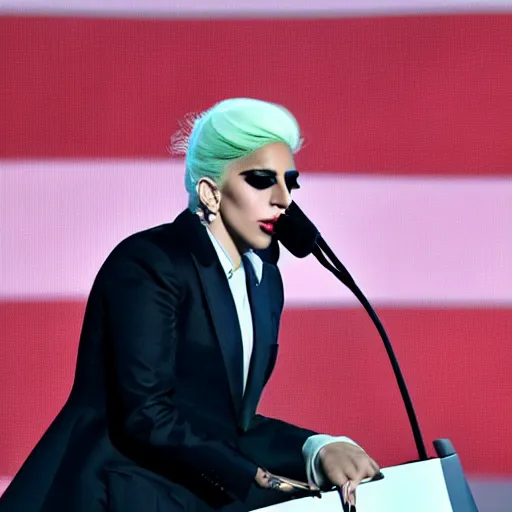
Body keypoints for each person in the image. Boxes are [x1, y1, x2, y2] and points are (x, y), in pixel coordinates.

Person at [0, 98, 379, 512]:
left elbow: (228, 425)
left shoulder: (265, 280)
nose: (284, 199)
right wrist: (259, 481)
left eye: (290, 182)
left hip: (185, 496)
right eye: (261, 180)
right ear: (210, 192)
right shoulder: (149, 262)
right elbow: (145, 416)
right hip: (116, 494)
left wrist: (316, 449)